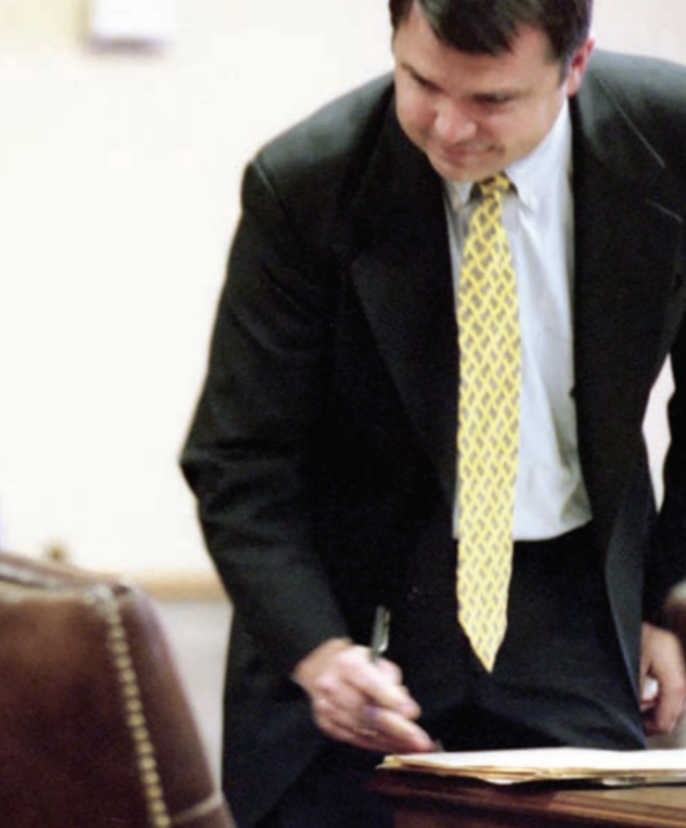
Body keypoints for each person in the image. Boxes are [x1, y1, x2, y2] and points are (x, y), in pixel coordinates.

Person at [180, 1, 686, 826]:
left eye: (492, 100)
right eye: (422, 82)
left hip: (570, 603)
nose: (450, 128)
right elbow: (240, 459)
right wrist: (318, 654)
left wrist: (670, 588)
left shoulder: (669, 141)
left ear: (577, 65)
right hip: (354, 614)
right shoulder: (308, 181)